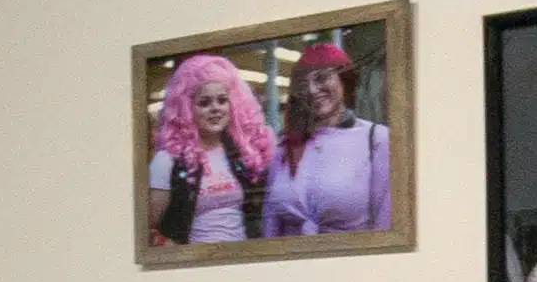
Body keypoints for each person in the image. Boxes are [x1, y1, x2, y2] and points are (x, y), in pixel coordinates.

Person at [149, 52, 277, 248]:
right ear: (186, 108)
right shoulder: (167, 161)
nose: (215, 108)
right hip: (194, 270)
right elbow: (146, 229)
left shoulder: (241, 154)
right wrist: (171, 249)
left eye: (222, 100)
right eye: (204, 102)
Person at [266, 40, 391, 236]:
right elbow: (271, 224)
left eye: (322, 78)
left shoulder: (377, 139)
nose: (312, 90)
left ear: (344, 80)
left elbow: (386, 222)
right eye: (303, 83)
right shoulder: (284, 146)